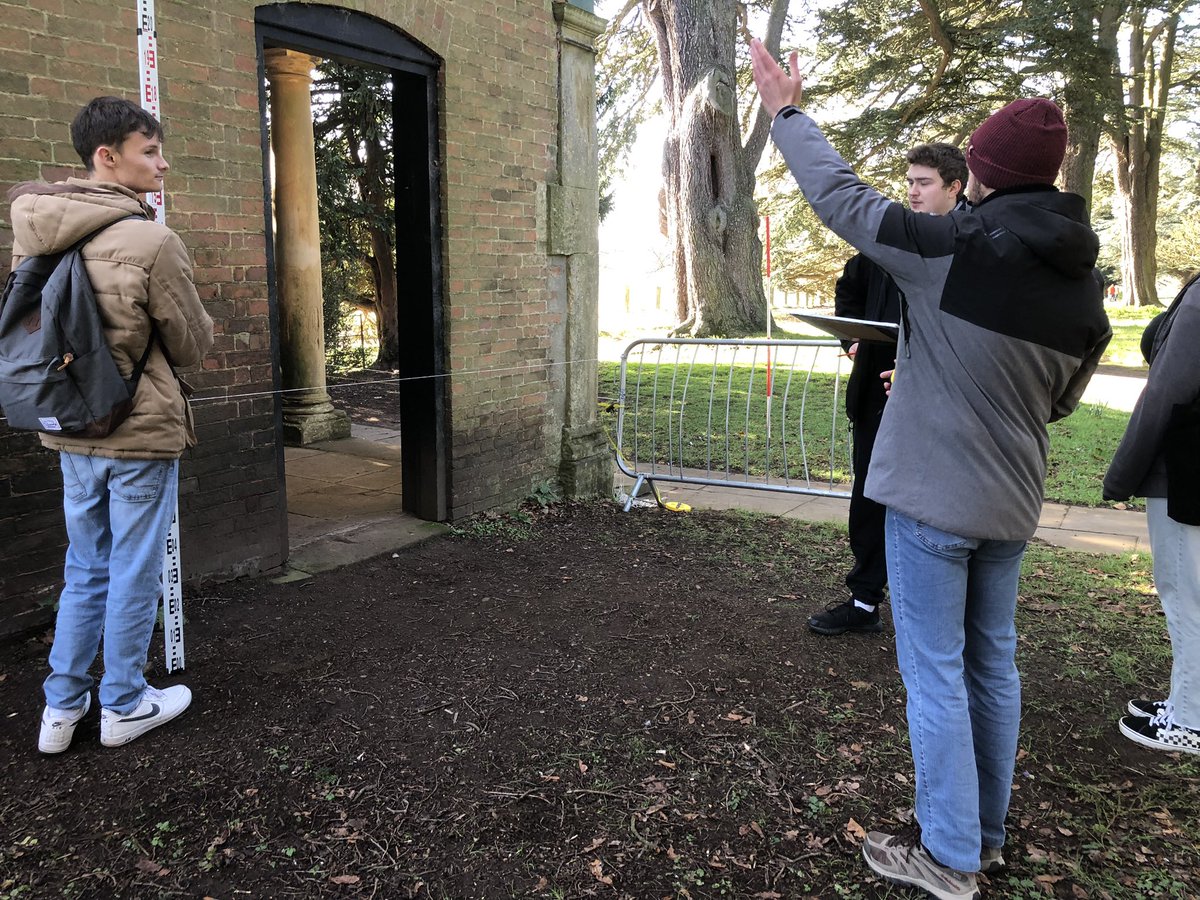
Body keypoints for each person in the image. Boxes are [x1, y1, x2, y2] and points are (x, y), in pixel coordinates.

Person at [750, 41, 1111, 899]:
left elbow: (840, 198)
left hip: (932, 504)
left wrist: (786, 111)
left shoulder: (957, 245)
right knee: (994, 665)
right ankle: (981, 835)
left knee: (937, 676)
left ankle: (948, 857)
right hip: (1011, 505)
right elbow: (1058, 402)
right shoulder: (1085, 288)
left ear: (979, 172)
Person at [8, 97, 214, 753]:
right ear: (107, 157)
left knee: (85, 567)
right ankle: (124, 703)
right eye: (149, 150)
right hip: (136, 431)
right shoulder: (151, 240)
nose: (163, 162)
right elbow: (191, 346)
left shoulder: (35, 228)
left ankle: (60, 713)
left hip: (67, 425)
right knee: (131, 570)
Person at [809, 143, 967, 636]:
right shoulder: (890, 240)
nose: (912, 192)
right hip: (875, 398)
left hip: (938, 404)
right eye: (910, 181)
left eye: (924, 183)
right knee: (869, 495)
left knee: (932, 508)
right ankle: (863, 602)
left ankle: (940, 615)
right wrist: (853, 338)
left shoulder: (973, 246)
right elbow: (848, 288)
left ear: (955, 187)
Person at [1104, 273, 1200, 756]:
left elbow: (1167, 389)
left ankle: (1191, 720)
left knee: (1187, 596)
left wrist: (1123, 472)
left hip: (1187, 472)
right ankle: (1185, 701)